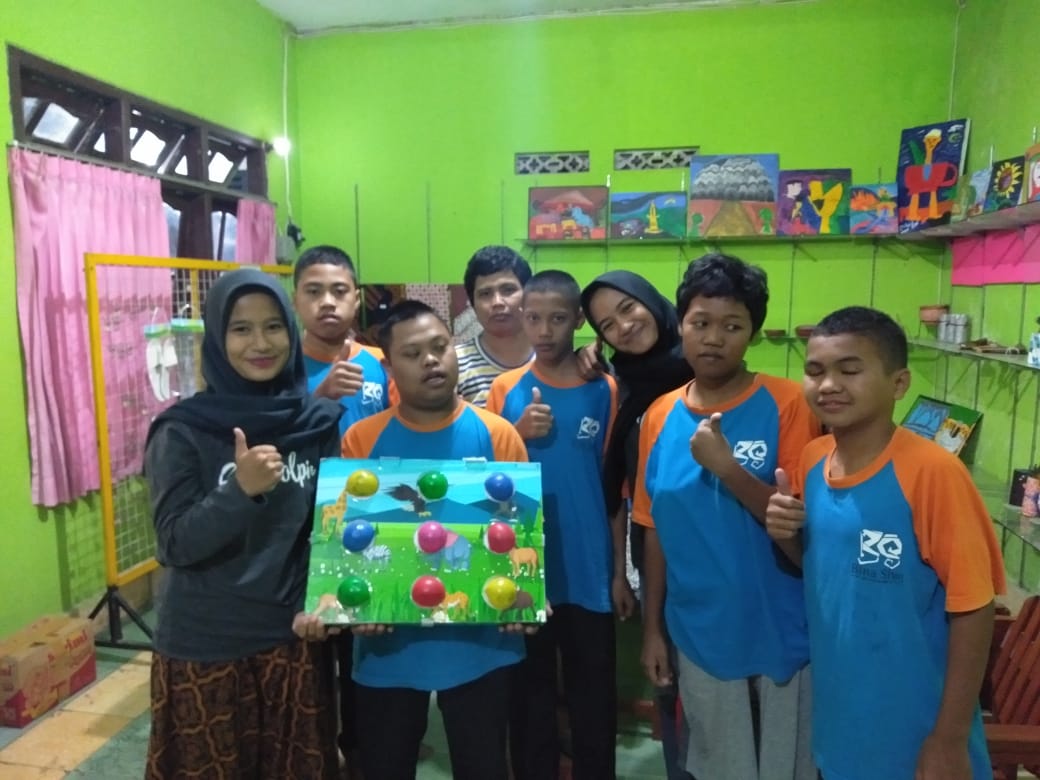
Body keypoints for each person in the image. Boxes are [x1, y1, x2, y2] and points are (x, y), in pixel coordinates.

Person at [766, 306, 1006, 780]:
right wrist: (785, 533)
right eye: (815, 370)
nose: (828, 384)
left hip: (918, 732)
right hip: (842, 726)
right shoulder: (813, 459)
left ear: (898, 384)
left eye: (849, 370)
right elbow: (822, 569)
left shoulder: (933, 473)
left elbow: (975, 608)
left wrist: (949, 738)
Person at [143, 268, 343, 779]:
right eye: (241, 329)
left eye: (273, 326)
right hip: (205, 645)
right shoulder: (183, 430)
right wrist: (240, 492)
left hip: (290, 639)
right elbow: (173, 543)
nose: (260, 343)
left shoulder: (316, 423)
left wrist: (320, 599)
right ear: (217, 337)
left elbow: (326, 530)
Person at [632, 253, 819, 780]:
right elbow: (653, 529)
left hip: (783, 625)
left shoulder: (789, 404)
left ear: (752, 333)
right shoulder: (660, 415)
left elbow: (798, 530)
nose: (714, 338)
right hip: (699, 630)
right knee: (718, 766)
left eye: (732, 326)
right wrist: (652, 630)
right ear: (681, 325)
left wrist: (728, 469)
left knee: (786, 767)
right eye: (701, 323)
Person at [340, 300, 528, 780]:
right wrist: (358, 608)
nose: (430, 360)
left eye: (440, 347)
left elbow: (518, 534)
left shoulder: (498, 434)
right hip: (388, 647)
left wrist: (524, 597)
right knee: (384, 766)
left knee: (483, 765)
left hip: (481, 645)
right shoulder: (362, 439)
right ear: (389, 367)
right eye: (412, 353)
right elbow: (351, 541)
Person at [486, 270, 618, 780]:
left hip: (587, 566)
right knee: (529, 692)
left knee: (594, 693)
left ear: (579, 320)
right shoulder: (505, 389)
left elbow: (614, 485)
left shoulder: (603, 388)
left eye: (558, 318)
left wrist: (616, 572)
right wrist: (516, 433)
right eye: (534, 318)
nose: (544, 331)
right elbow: (486, 480)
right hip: (524, 569)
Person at [579, 270, 694, 780]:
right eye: (607, 324)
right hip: (655, 556)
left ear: (652, 301)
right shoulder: (617, 386)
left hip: (721, 554)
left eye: (628, 308)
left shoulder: (705, 367)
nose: (623, 327)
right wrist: (618, 574)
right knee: (667, 679)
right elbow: (618, 485)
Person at [293, 244, 392, 435]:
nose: (328, 302)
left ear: (356, 300)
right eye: (313, 291)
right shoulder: (281, 368)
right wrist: (322, 397)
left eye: (339, 291)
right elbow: (276, 437)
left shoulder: (384, 362)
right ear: (295, 300)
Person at [455, 245, 534, 407]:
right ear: (473, 304)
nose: (497, 302)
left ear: (530, 295)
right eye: (485, 294)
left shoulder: (552, 356)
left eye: (508, 290)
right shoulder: (454, 364)